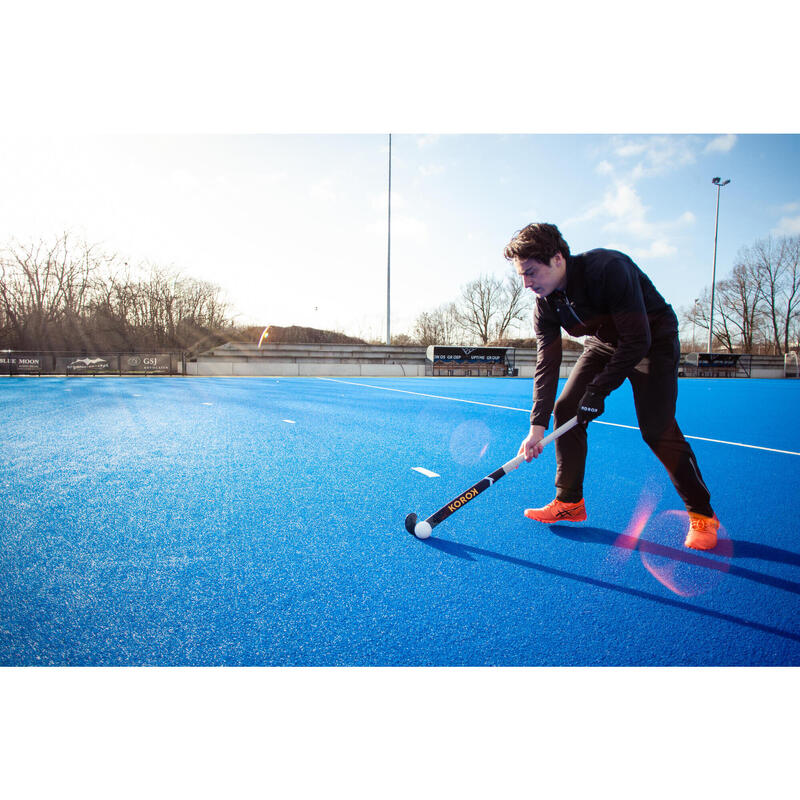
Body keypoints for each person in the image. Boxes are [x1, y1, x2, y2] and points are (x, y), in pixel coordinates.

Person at [504, 222, 719, 550]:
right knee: (565, 410)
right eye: (522, 275)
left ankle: (702, 514)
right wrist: (536, 427)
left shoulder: (608, 269)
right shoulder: (545, 304)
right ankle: (569, 502)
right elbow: (546, 365)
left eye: (531, 272)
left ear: (558, 259)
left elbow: (637, 339)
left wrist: (598, 391)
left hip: (652, 342)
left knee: (657, 429)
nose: (526, 283)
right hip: (605, 344)